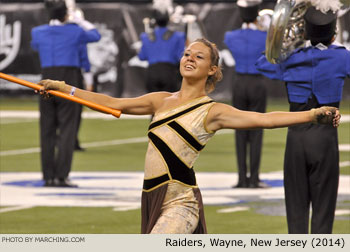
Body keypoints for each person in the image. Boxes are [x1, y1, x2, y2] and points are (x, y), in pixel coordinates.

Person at [38, 38, 340, 234]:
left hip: (180, 203)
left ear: (212, 70)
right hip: (151, 198)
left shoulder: (213, 111)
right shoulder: (160, 100)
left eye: (198, 56)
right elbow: (112, 104)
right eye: (186, 54)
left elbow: (265, 119)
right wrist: (65, 89)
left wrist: (312, 114)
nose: (189, 58)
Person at [255, 7, 350, 233]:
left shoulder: (291, 58)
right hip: (326, 139)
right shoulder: (342, 56)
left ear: (305, 33)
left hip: (296, 139)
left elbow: (262, 62)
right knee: (323, 210)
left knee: (296, 210)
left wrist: (289, 40)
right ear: (333, 33)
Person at [31, 0, 101, 187]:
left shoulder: (37, 32)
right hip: (67, 78)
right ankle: (61, 176)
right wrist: (78, 21)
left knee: (46, 130)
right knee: (67, 129)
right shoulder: (75, 31)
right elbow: (96, 35)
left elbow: (35, 46)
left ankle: (48, 176)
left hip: (45, 79)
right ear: (65, 14)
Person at [224, 0, 268, 188]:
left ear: (241, 15)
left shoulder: (230, 36)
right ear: (256, 14)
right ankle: (254, 178)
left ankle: (242, 178)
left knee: (240, 131)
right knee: (257, 131)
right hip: (258, 82)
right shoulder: (265, 36)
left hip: (239, 82)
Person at [138, 7, 185, 93]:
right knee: (170, 104)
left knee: (153, 104)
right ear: (168, 20)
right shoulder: (179, 36)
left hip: (151, 73)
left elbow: (142, 56)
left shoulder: (145, 36)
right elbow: (179, 56)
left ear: (155, 20)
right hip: (169, 72)